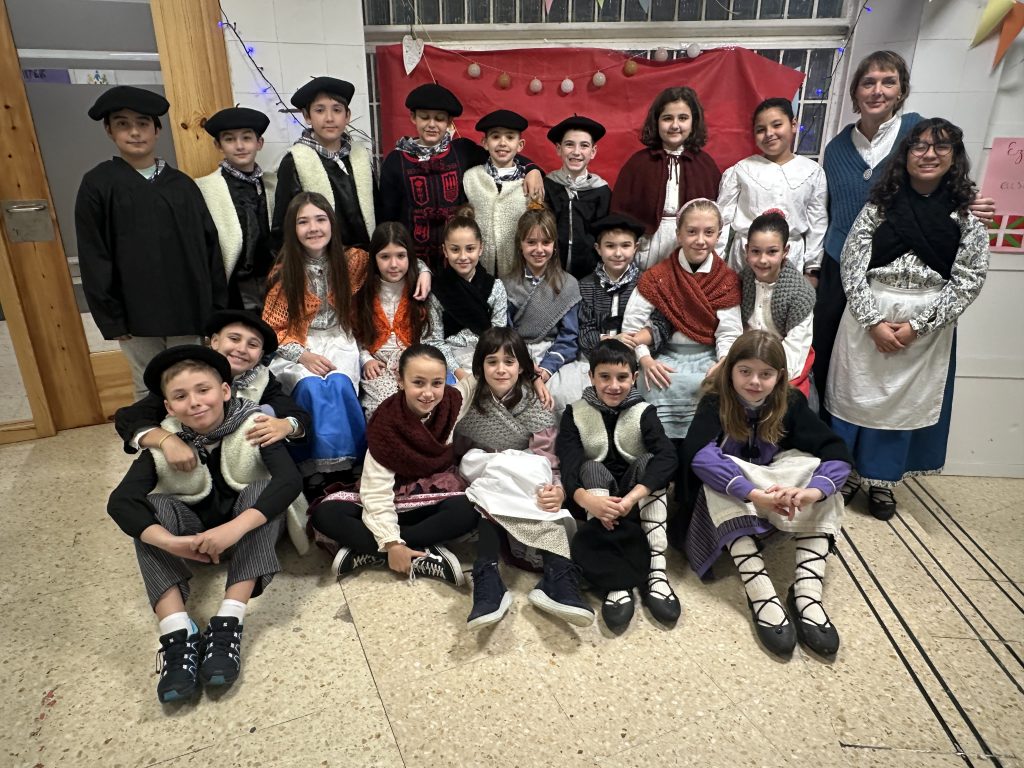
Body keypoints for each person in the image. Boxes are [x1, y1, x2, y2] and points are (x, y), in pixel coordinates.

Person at [107, 345, 302, 702]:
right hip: (191, 539)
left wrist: (235, 528)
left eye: (203, 390)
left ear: (225, 391)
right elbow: (120, 502)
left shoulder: (254, 424)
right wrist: (168, 542)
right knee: (152, 508)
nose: (195, 402)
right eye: (181, 396)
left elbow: (290, 481)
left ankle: (229, 620)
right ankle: (177, 631)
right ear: (168, 407)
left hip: (242, 531)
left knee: (263, 491)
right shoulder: (165, 439)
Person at [826, 118, 990, 520]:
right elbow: (852, 263)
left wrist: (919, 326)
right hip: (868, 316)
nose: (929, 154)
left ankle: (882, 482)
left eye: (941, 147)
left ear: (954, 156)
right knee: (854, 398)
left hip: (926, 324)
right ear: (906, 154)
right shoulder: (879, 208)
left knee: (900, 406)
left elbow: (969, 279)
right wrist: (873, 321)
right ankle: (846, 474)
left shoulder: (966, 217)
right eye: (920, 146)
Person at [682, 331, 852, 657]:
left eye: (766, 374)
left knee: (817, 470)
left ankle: (806, 593)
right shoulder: (715, 402)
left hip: (776, 493)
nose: (755, 382)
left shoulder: (791, 402)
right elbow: (699, 456)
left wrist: (810, 493)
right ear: (730, 370)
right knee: (715, 476)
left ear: (780, 376)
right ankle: (760, 590)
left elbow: (836, 452)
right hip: (741, 499)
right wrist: (753, 493)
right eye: (745, 371)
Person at [113, 309, 312, 553]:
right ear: (214, 341)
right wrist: (166, 440)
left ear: (261, 355)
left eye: (252, 345)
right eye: (234, 338)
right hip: (193, 474)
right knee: (153, 503)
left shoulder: (263, 380)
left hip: (245, 477)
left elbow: (297, 415)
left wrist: (286, 424)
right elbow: (129, 417)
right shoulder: (184, 377)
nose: (241, 349)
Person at [76, 85, 226, 399]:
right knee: (148, 385)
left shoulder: (182, 186)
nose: (134, 132)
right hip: (134, 313)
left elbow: (208, 248)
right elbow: (94, 254)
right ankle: (151, 432)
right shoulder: (99, 184)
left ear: (157, 130)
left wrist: (214, 308)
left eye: (143, 123)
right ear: (109, 131)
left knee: (189, 382)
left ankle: (191, 432)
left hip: (186, 308)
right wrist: (112, 318)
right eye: (122, 124)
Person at [456, 328, 594, 628]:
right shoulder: (469, 401)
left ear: (521, 367)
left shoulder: (535, 404)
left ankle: (557, 574)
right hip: (485, 472)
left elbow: (548, 461)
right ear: (480, 366)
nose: (501, 369)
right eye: (492, 362)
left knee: (538, 482)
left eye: (509, 361)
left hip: (525, 477)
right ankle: (487, 576)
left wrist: (558, 490)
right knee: (492, 476)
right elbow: (459, 450)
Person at [310, 344, 479, 586]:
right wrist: (392, 542)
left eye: (437, 383)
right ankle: (421, 554)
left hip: (434, 494)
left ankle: (369, 551)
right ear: (400, 380)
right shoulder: (387, 423)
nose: (428, 393)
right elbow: (376, 491)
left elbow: (475, 382)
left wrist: (529, 373)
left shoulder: (451, 401)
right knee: (326, 514)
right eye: (418, 383)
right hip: (392, 493)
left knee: (469, 509)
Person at [557, 340, 679, 630]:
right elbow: (569, 462)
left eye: (622, 377)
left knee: (652, 462)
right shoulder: (574, 413)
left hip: (636, 499)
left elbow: (668, 456)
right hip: (596, 500)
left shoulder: (644, 411)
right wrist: (587, 500)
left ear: (634, 378)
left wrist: (633, 497)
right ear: (591, 377)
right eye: (604, 377)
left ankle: (656, 571)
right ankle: (614, 578)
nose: (614, 385)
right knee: (590, 466)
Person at [376, 83, 543, 271]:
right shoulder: (395, 161)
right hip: (413, 260)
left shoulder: (462, 151)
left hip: (458, 260)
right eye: (424, 117)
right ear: (413, 118)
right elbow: (387, 217)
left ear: (449, 122)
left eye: (439, 119)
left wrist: (532, 169)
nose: (432, 124)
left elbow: (500, 154)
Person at [620, 198, 742, 443]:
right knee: (650, 380)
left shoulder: (726, 280)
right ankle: (660, 449)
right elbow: (632, 327)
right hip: (664, 354)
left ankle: (701, 451)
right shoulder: (657, 277)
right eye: (692, 232)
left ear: (719, 235)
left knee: (716, 386)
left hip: (709, 355)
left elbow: (729, 331)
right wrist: (644, 359)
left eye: (709, 232)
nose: (700, 240)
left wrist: (724, 361)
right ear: (678, 234)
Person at [262, 193, 367, 476]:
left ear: (332, 223)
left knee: (338, 383)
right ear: (293, 229)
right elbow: (271, 330)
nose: (313, 228)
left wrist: (423, 270)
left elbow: (394, 263)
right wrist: (303, 356)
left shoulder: (353, 260)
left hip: (340, 337)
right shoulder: (284, 272)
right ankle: (311, 468)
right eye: (303, 222)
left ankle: (351, 462)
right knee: (310, 387)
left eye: (320, 219)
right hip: (298, 342)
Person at [611, 87, 721, 271]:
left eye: (683, 118)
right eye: (667, 118)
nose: (675, 125)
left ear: (693, 122)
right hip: (648, 243)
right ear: (656, 121)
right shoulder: (638, 163)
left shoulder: (705, 165)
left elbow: (715, 214)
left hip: (690, 243)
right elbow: (620, 212)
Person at [716, 97, 827, 277]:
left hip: (791, 258)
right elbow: (722, 219)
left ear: (793, 124)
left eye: (777, 125)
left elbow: (817, 222)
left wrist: (812, 268)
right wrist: (716, 263)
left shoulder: (812, 172)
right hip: (745, 257)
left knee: (785, 296)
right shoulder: (741, 170)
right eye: (761, 129)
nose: (769, 133)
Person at [271, 77, 375, 253]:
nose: (329, 118)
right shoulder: (295, 161)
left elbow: (376, 209)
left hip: (365, 256)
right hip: (322, 260)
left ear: (347, 116)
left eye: (337, 110)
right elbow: (283, 224)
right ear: (307, 116)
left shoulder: (360, 157)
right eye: (320, 110)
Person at [352, 222, 445, 417]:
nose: (393, 264)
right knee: (385, 407)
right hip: (378, 366)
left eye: (401, 256)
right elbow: (354, 335)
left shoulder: (421, 289)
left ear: (410, 256)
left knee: (424, 404)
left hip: (416, 363)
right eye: (385, 257)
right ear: (374, 258)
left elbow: (433, 336)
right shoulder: (363, 292)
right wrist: (365, 359)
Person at [503, 204, 585, 414]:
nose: (539, 250)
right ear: (520, 244)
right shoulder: (506, 284)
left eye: (546, 242)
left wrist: (546, 370)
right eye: (531, 242)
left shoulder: (568, 284)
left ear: (554, 245)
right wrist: (528, 368)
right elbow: (506, 333)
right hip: (518, 355)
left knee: (566, 395)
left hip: (555, 356)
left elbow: (569, 337)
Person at [195, 107, 275, 312]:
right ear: (218, 145)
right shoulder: (206, 189)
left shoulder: (273, 184)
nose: (239, 146)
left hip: (274, 282)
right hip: (233, 288)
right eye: (229, 139)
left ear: (259, 143)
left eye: (247, 138)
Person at [738, 211, 816, 399]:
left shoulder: (800, 293)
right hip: (745, 357)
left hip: (783, 361)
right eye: (755, 251)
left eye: (772, 251)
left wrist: (767, 378)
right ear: (747, 250)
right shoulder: (741, 281)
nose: (762, 260)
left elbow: (795, 349)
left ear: (785, 251)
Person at [577, 213, 671, 360]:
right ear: (598, 248)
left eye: (625, 245)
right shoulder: (585, 286)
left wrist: (635, 340)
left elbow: (661, 324)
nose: (618, 253)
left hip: (637, 356)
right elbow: (584, 330)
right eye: (610, 246)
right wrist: (612, 340)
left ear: (635, 247)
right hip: (597, 357)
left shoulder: (648, 283)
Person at [432, 207, 509, 380]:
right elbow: (433, 340)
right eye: (455, 249)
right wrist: (458, 372)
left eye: (470, 249)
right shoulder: (437, 289)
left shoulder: (495, 287)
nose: (463, 256)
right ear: (445, 251)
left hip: (488, 358)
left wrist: (486, 366)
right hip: (449, 363)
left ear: (480, 249)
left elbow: (498, 335)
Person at [462, 110, 533, 276]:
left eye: (510, 137)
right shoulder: (471, 178)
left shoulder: (529, 182)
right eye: (495, 137)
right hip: (478, 268)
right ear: (485, 143)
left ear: (520, 145)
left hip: (517, 270)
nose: (502, 143)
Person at [542, 115, 611, 279]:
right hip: (550, 269)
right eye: (569, 144)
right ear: (559, 149)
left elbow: (605, 235)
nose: (576, 152)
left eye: (584, 145)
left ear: (593, 152)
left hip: (590, 271)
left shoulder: (602, 191)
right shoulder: (546, 186)